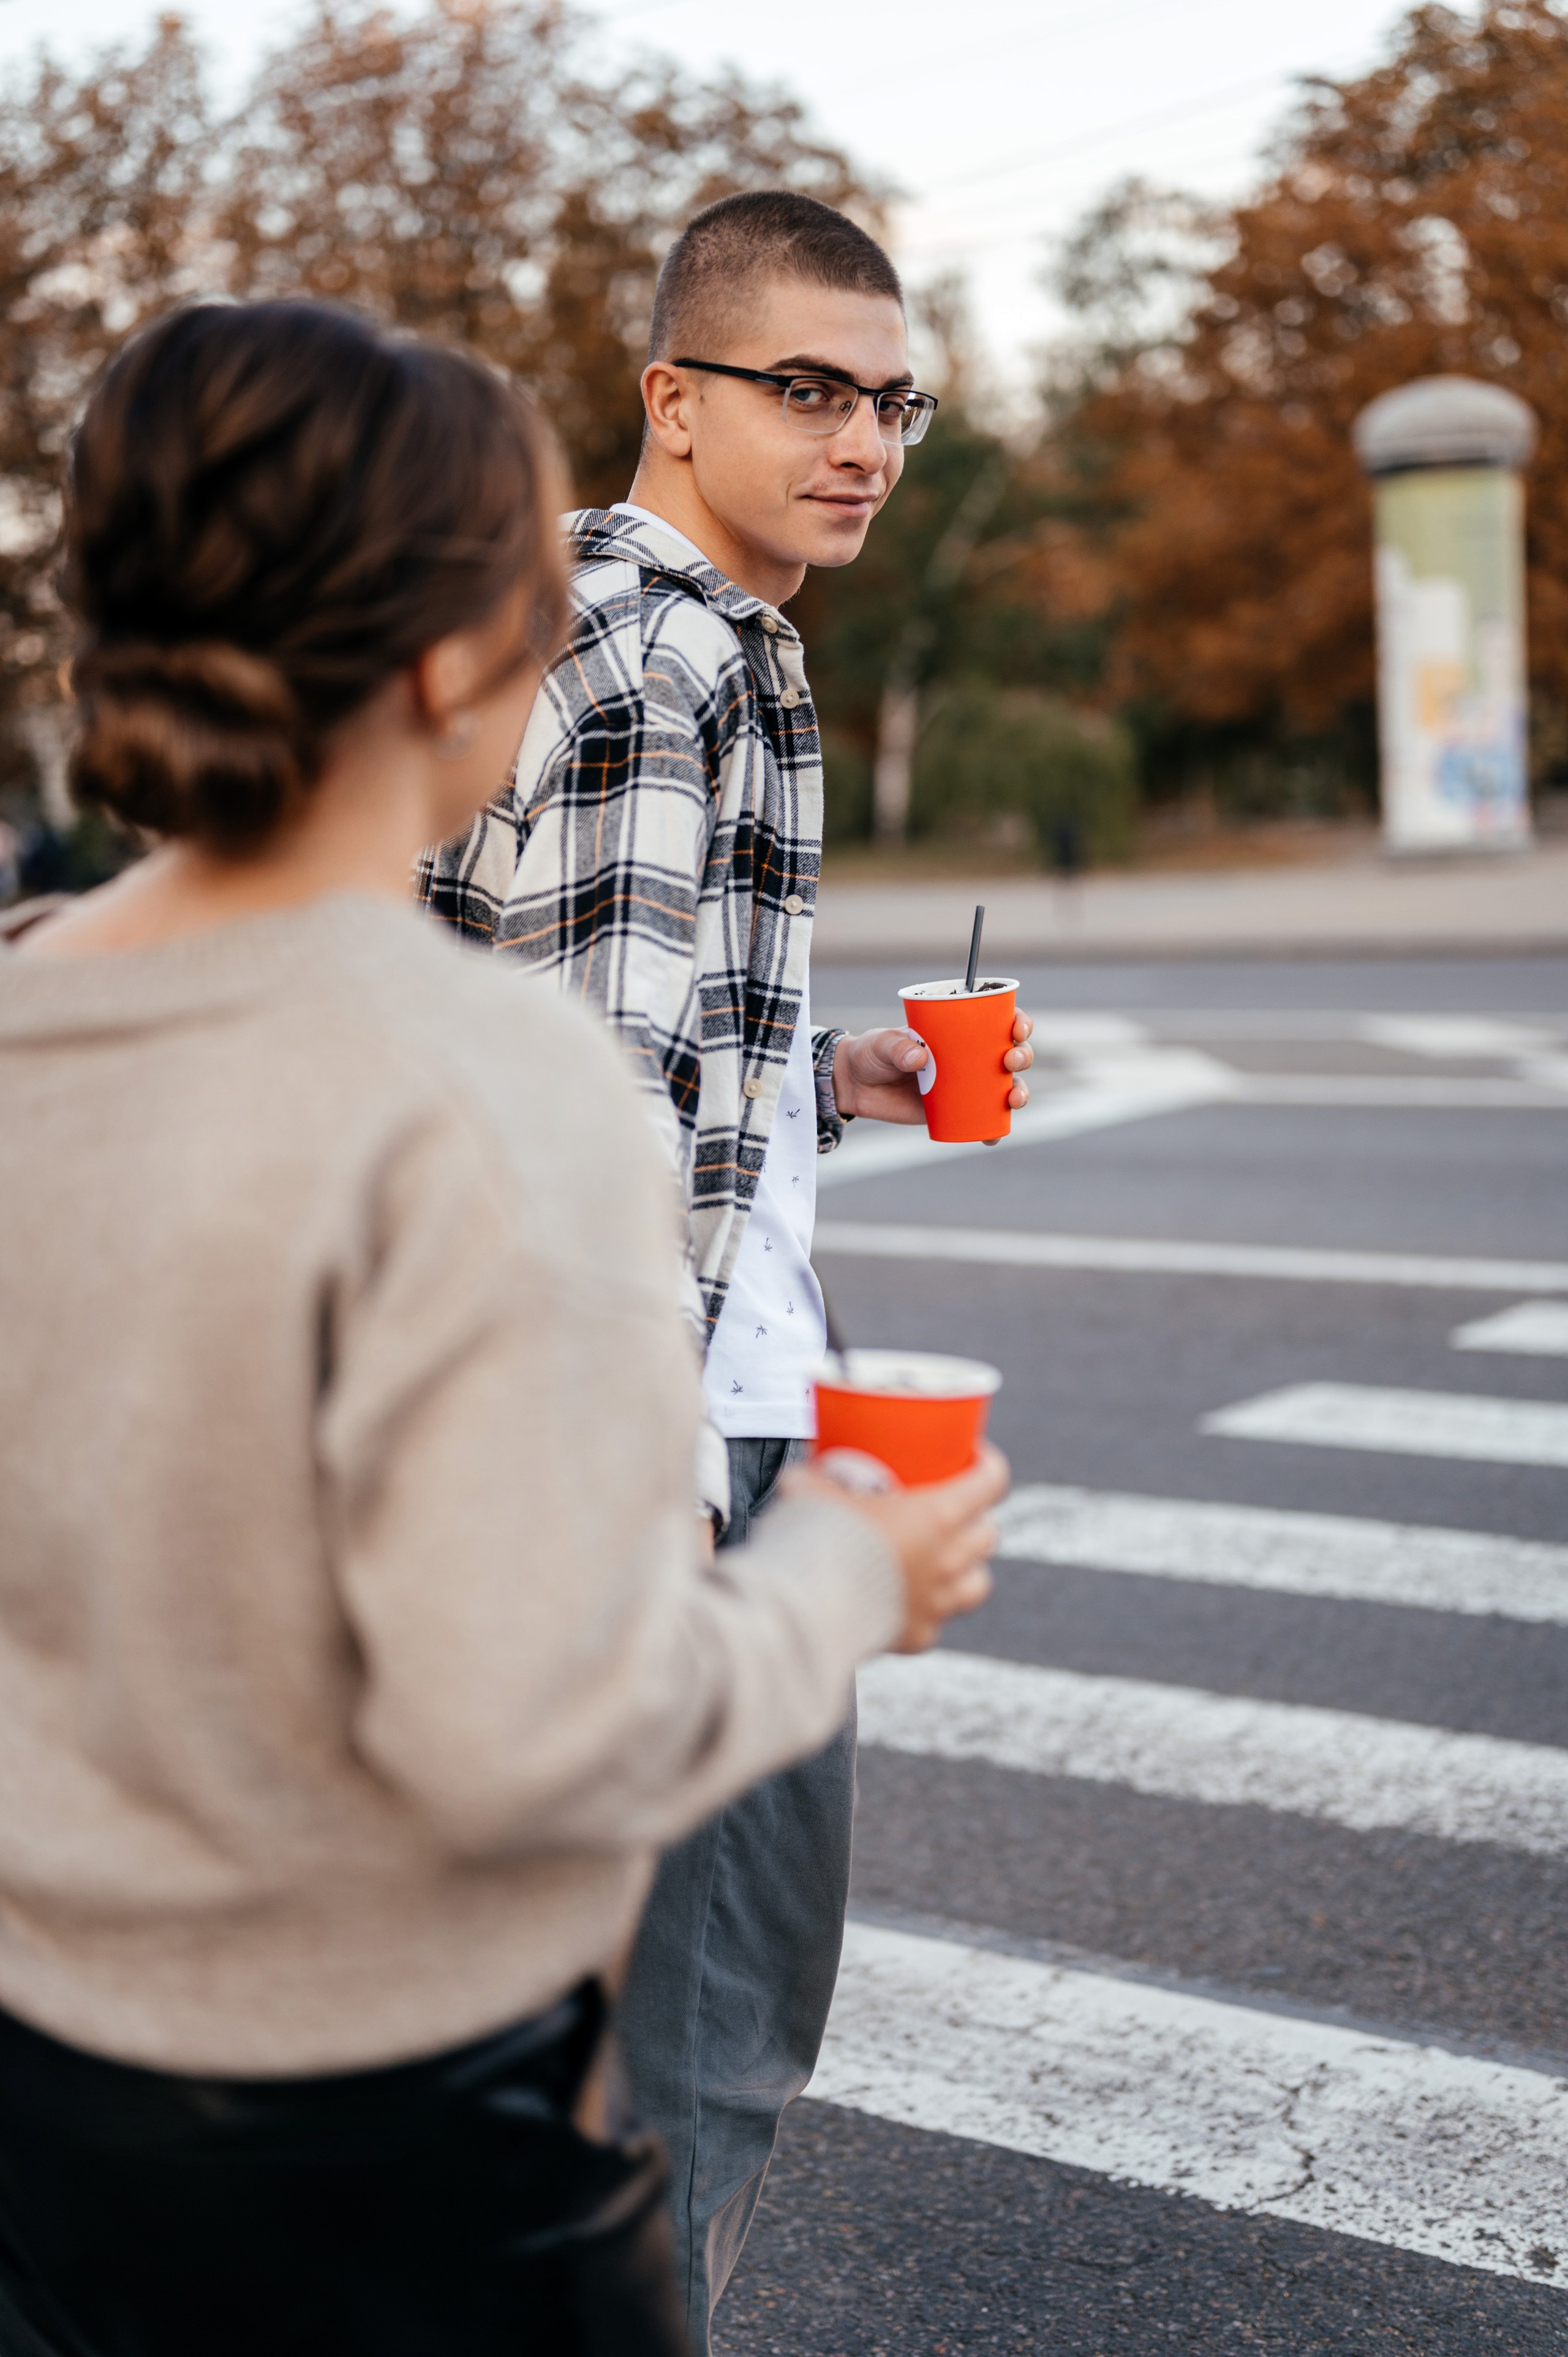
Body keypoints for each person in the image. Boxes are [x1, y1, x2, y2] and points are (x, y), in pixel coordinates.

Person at [0, 296, 1008, 2357]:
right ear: (466, 661)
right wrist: (837, 1573)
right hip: (377, 2157)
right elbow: (529, 1738)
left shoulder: (31, 1003)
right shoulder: (486, 1089)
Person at [420, 189, 1035, 2346]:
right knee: (690, 2054)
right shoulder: (660, 648)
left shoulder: (663, 631)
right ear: (674, 400)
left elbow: (611, 1027)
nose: (861, 438)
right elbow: (574, 1105)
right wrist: (651, 1479)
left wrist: (835, 1077)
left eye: (894, 400)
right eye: (807, 389)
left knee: (622, 2043)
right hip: (657, 1442)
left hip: (671, 1409)